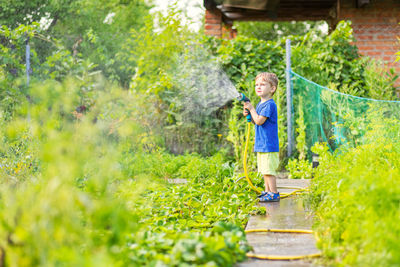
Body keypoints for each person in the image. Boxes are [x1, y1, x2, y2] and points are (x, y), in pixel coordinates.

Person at [243, 72, 280, 202]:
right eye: (256, 85)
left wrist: (252, 109)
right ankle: (267, 191)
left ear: (272, 88)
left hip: (268, 144)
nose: (258, 87)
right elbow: (255, 121)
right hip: (262, 144)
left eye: (262, 84)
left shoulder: (269, 104)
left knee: (269, 170)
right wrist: (249, 114)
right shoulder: (261, 104)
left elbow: (259, 121)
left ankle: (274, 193)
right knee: (264, 170)